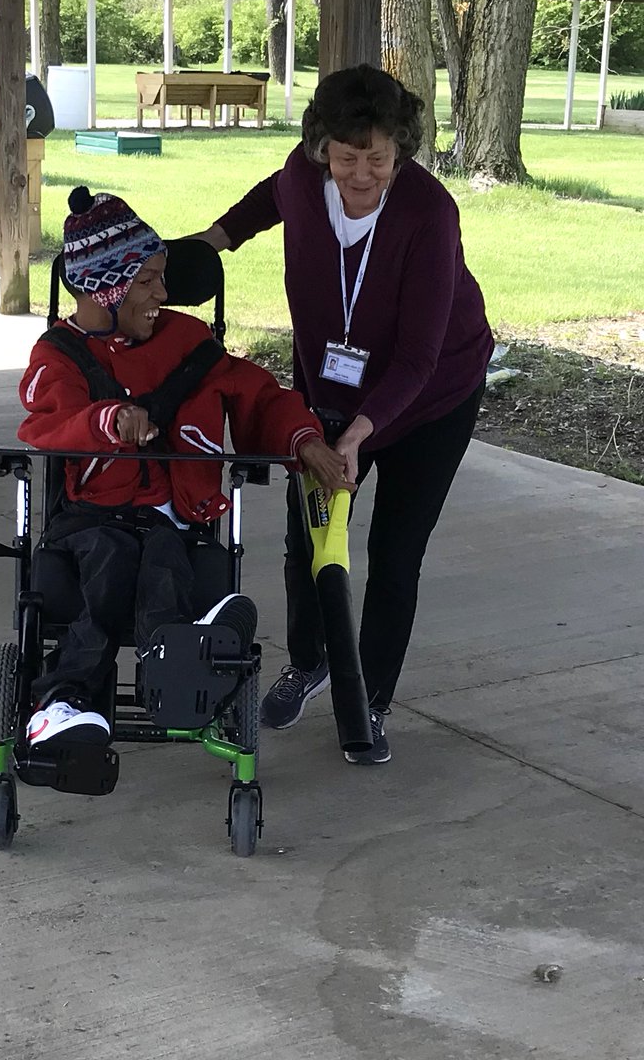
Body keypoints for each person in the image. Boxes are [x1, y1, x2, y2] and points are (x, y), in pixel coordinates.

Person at [191, 64, 494, 765]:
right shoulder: (304, 176)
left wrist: (357, 437)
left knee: (394, 552)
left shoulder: (426, 214)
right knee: (310, 540)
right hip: (329, 388)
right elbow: (270, 198)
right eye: (347, 157)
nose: (360, 174)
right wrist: (214, 241)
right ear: (322, 146)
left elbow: (418, 358)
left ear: (402, 150)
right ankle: (310, 661)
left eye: (378, 159)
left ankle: (373, 701)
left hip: (432, 396)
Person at [18, 186, 349, 749]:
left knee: (166, 563)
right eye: (147, 281)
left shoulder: (190, 342)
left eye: (162, 278)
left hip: (173, 519)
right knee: (113, 567)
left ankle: (175, 677)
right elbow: (48, 422)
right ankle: (63, 704)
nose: (163, 294)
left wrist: (305, 440)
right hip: (93, 520)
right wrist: (110, 418)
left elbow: (257, 396)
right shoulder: (58, 355)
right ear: (105, 286)